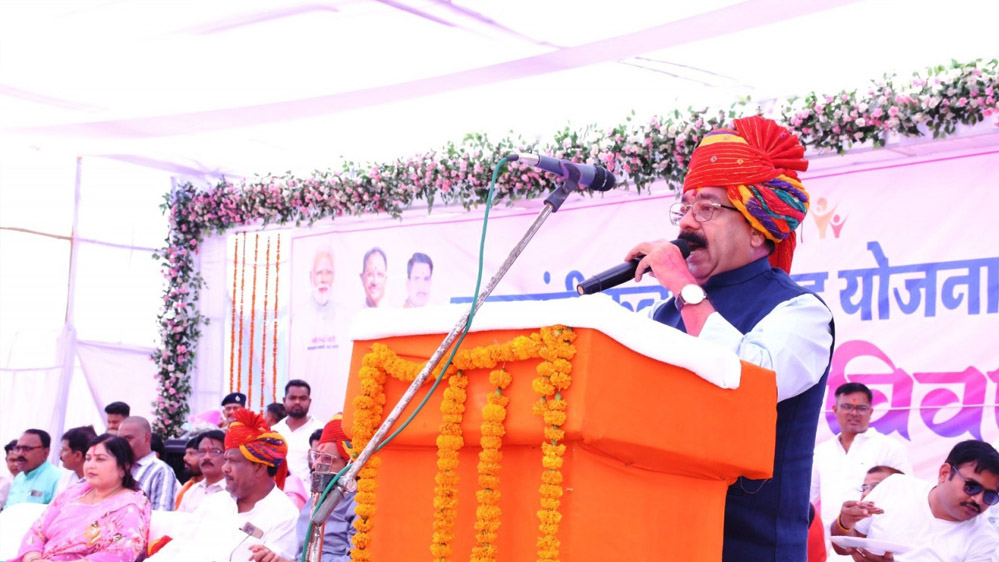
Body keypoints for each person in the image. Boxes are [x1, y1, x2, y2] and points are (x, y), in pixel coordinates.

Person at [628, 116, 834, 561]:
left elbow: (746, 382)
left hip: (751, 547)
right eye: (684, 207)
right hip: (664, 540)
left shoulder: (800, 312)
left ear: (758, 229)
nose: (687, 222)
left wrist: (685, 289)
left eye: (706, 208)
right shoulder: (660, 315)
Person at [831, 440, 999, 561]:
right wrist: (844, 523)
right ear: (944, 473)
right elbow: (844, 548)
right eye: (972, 486)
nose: (979, 500)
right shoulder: (896, 486)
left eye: (990, 496)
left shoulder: (984, 540)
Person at [13, 433, 151, 562]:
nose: (90, 465)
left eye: (100, 459)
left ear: (123, 467)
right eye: (88, 458)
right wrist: (33, 558)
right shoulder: (72, 494)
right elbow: (36, 531)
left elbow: (120, 552)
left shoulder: (129, 507)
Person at [811, 383, 911, 560]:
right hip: (829, 551)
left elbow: (906, 499)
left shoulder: (891, 449)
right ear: (835, 410)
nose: (854, 413)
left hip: (873, 551)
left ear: (870, 412)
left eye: (861, 408)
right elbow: (807, 499)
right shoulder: (822, 452)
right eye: (847, 406)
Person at [186, 410, 299, 559]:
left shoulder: (285, 515)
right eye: (225, 460)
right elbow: (182, 547)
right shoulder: (214, 502)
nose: (224, 468)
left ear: (259, 467)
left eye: (232, 461)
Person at [249, 415, 357, 562]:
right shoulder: (317, 497)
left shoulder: (359, 504)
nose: (315, 465)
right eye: (316, 456)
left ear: (350, 464)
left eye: (326, 459)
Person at [118, 416, 179, 511]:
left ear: (147, 439)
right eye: (120, 439)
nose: (122, 444)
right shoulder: (116, 466)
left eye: (128, 438)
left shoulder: (161, 471)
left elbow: (161, 513)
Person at [271, 379, 325, 483]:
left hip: (309, 491)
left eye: (302, 398)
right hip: (277, 490)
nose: (297, 402)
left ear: (309, 401)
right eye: (292, 398)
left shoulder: (321, 431)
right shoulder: (274, 432)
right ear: (284, 400)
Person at [4, 429, 63, 508]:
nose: (20, 453)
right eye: (18, 448)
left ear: (46, 452)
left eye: (26, 448)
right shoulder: (19, 478)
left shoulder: (58, 479)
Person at [177, 430, 227, 513]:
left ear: (227, 455)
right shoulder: (192, 491)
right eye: (202, 451)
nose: (206, 457)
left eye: (214, 451)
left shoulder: (234, 492)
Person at [55, 425, 98, 495]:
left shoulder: (98, 481)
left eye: (64, 450)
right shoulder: (66, 478)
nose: (60, 454)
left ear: (78, 455)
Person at [174, 435, 204, 509]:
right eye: (185, 453)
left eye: (191, 453)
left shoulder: (222, 489)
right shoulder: (188, 486)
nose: (185, 458)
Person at [1, 439, 19, 508]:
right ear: (6, 460)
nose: (16, 464)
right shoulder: (3, 480)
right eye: (12, 460)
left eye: (19, 460)